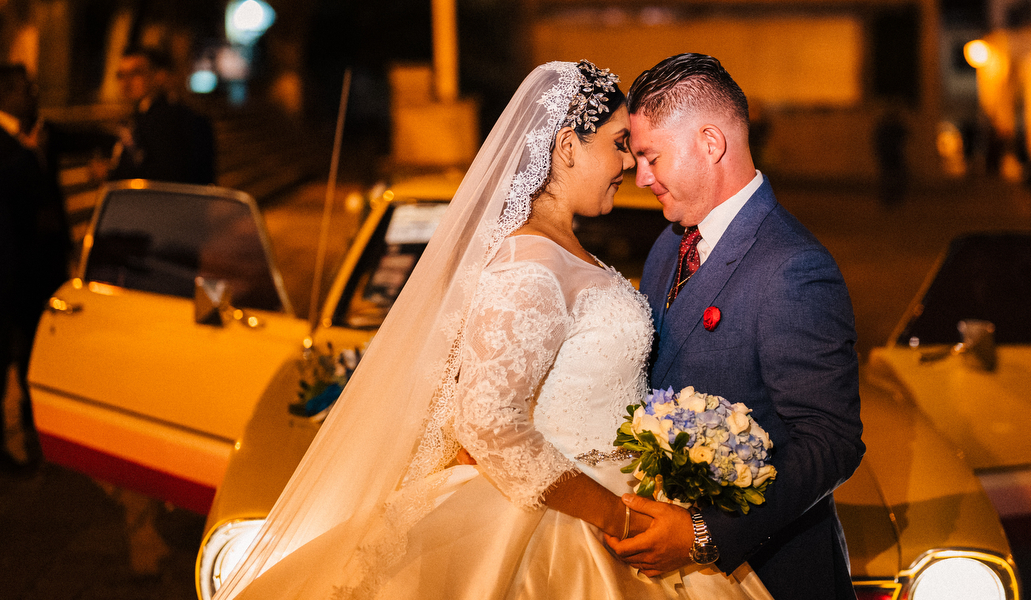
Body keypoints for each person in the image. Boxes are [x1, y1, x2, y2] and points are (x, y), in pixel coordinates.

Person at [216, 61, 772, 600]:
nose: (629, 163)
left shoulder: (564, 251)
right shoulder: (529, 264)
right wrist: (616, 517)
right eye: (619, 143)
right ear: (568, 146)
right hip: (566, 522)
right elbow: (486, 419)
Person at [609, 54, 864, 600]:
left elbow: (832, 440)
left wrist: (705, 533)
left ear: (710, 142)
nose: (642, 177)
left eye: (651, 156)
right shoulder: (667, 246)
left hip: (769, 573)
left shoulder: (793, 266)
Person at [0, 63, 61, 470]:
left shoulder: (32, 136)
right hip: (9, 271)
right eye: (27, 89)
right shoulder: (14, 147)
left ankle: (32, 432)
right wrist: (29, 154)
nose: (33, 96)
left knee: (27, 357)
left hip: (31, 269)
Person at [108, 48, 216, 185]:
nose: (126, 82)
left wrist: (112, 173)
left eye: (136, 73)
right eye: (121, 75)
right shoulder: (141, 114)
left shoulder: (167, 120)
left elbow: (164, 175)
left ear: (159, 76)